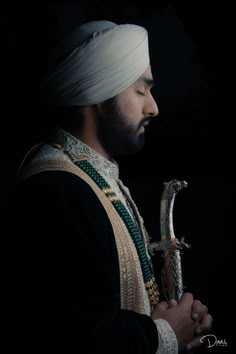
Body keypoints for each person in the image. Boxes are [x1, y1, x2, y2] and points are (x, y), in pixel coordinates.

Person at [3, 20, 212, 353]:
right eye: (141, 90)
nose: (153, 107)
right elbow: (80, 338)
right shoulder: (53, 190)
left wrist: (180, 320)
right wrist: (165, 334)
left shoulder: (94, 176)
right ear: (99, 93)